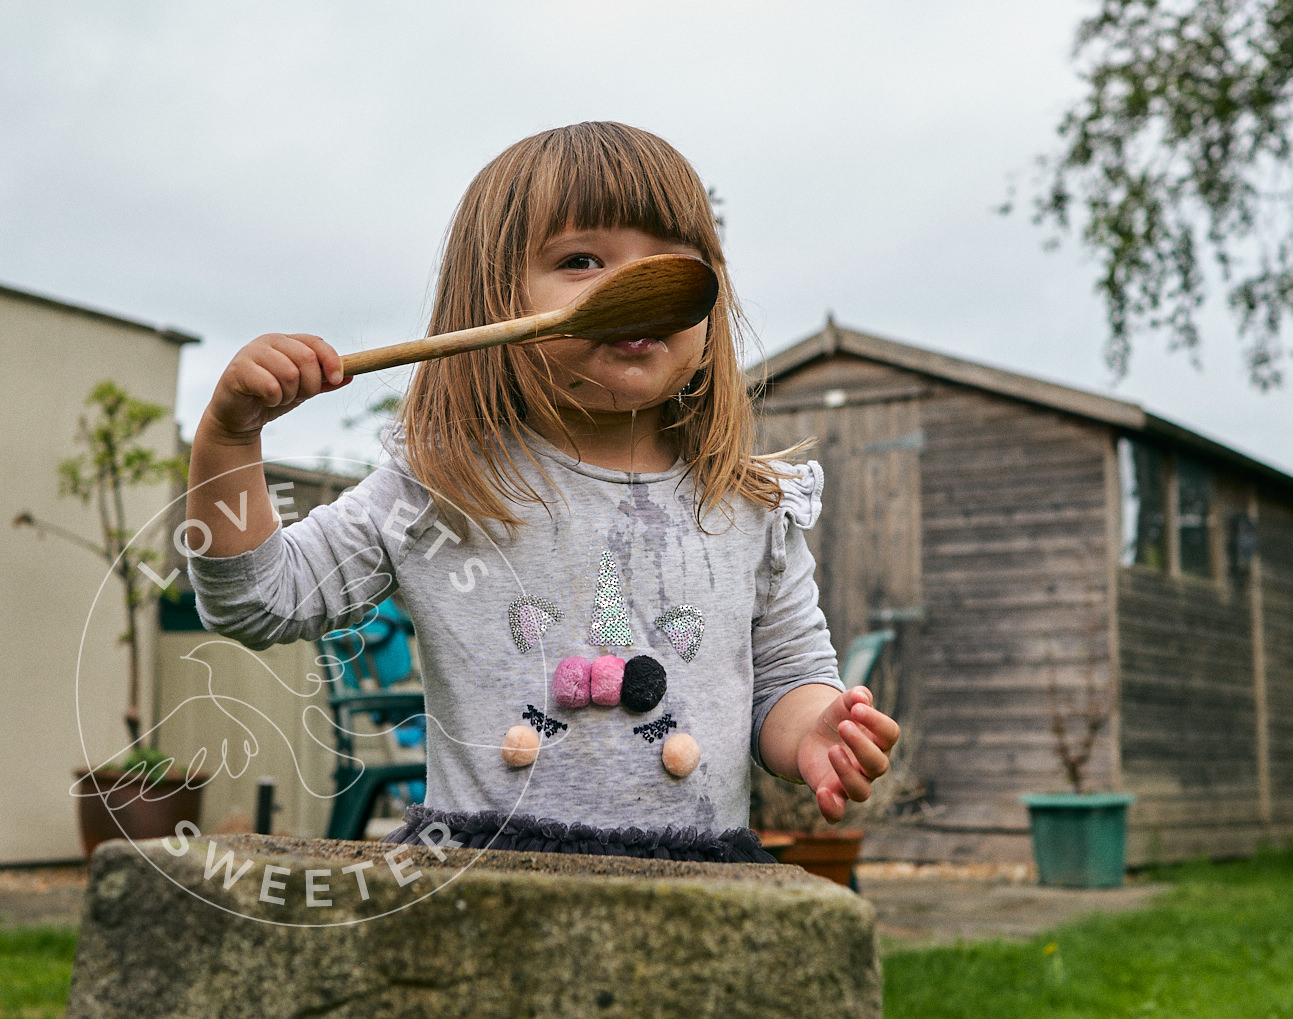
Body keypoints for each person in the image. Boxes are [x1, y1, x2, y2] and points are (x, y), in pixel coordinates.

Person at [185, 122, 899, 860]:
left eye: (671, 262)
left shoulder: (749, 503)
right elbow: (259, 599)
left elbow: (786, 676)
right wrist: (230, 440)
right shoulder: (443, 486)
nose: (627, 285)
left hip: (700, 877)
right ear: (494, 301)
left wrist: (815, 726)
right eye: (582, 259)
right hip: (485, 877)